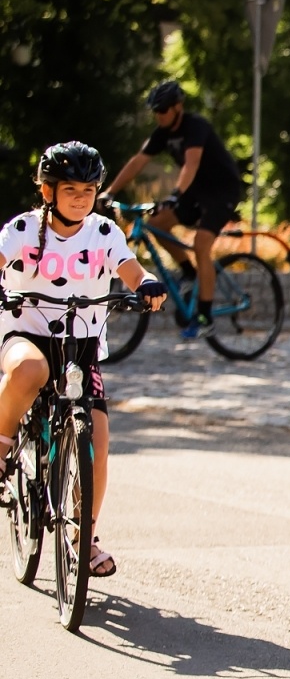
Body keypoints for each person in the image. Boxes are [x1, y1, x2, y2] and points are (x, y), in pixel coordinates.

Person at [0, 143, 165, 578]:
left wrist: (147, 284)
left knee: (98, 441)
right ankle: (1, 444)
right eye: (70, 189)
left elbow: (131, 269)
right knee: (29, 370)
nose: (80, 198)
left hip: (81, 346)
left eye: (88, 190)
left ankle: (83, 537)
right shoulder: (22, 229)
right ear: (48, 191)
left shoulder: (104, 232)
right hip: (26, 335)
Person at [102, 81, 242, 339]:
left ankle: (205, 317)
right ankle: (189, 273)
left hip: (222, 191)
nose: (159, 115)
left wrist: (176, 194)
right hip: (196, 192)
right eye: (156, 110)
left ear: (178, 107)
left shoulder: (196, 126)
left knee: (201, 245)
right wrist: (109, 192)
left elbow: (192, 163)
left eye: (163, 109)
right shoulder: (162, 133)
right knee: (156, 224)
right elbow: (137, 162)